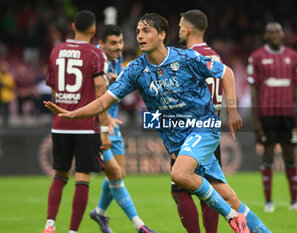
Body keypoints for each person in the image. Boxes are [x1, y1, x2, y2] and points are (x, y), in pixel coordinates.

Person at [45, 13, 272, 233]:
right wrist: (72, 114)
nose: (140, 36)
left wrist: (231, 110)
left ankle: (233, 218)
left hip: (204, 128)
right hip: (177, 141)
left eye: (146, 31)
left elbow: (227, 72)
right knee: (228, 196)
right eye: (137, 31)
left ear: (162, 34)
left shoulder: (186, 58)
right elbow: (104, 101)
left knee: (179, 175)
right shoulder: (135, 69)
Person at [43, 10, 113, 233]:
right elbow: (100, 93)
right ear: (93, 29)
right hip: (85, 125)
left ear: (73, 26)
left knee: (59, 174)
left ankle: (50, 224)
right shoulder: (95, 54)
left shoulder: (56, 51)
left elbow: (53, 88)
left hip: (60, 123)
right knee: (82, 177)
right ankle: (73, 231)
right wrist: (104, 128)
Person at [89, 24, 156, 233]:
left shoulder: (117, 62)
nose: (119, 47)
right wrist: (103, 123)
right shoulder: (94, 63)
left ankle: (99, 212)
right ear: (101, 44)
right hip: (98, 126)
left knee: (119, 174)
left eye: (120, 42)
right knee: (116, 174)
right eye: (113, 43)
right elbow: (91, 96)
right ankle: (139, 226)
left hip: (114, 124)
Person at [171, 9, 223, 233]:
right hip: (212, 131)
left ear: (188, 29)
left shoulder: (186, 58)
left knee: (180, 189)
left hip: (190, 133)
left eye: (181, 26)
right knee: (209, 190)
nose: (179, 30)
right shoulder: (216, 57)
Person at [247, 22, 297, 213]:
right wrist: (255, 118)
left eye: (277, 31)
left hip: (288, 114)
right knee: (268, 154)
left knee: (290, 155)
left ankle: (295, 202)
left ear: (282, 35)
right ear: (265, 36)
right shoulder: (256, 57)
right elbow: (254, 89)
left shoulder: (293, 56)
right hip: (266, 114)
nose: (274, 34)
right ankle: (268, 203)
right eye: (270, 32)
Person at [0, 61, 16, 126]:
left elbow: (12, 86)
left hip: (6, 96)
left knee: (6, 109)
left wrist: (4, 84)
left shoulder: (9, 76)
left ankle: (6, 122)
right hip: (1, 95)